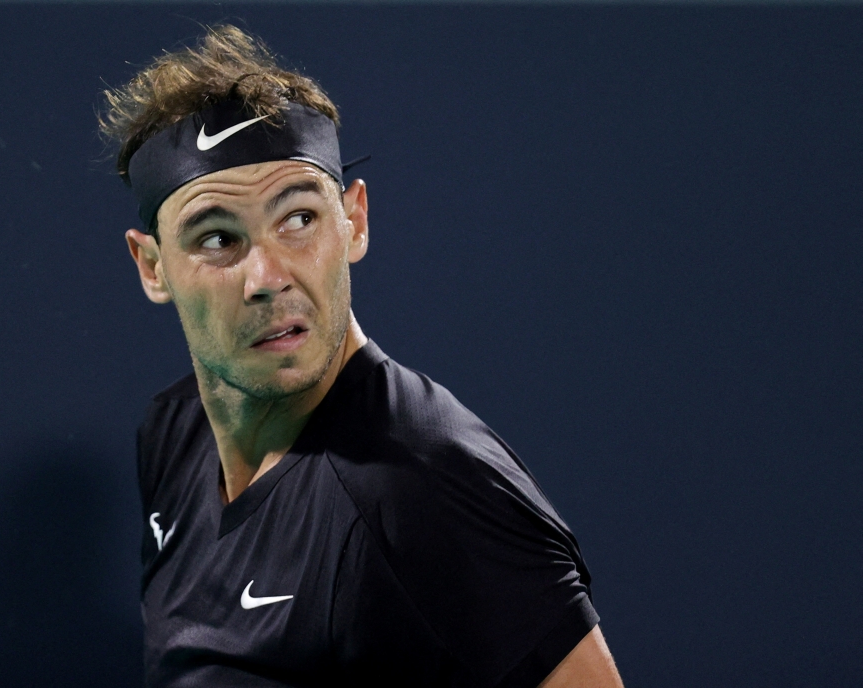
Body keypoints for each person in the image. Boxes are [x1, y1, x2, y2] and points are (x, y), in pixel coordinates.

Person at [101, 25, 624, 688]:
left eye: (299, 220)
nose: (268, 275)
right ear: (152, 267)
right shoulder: (171, 434)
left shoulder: (428, 483)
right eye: (217, 237)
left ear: (356, 221)